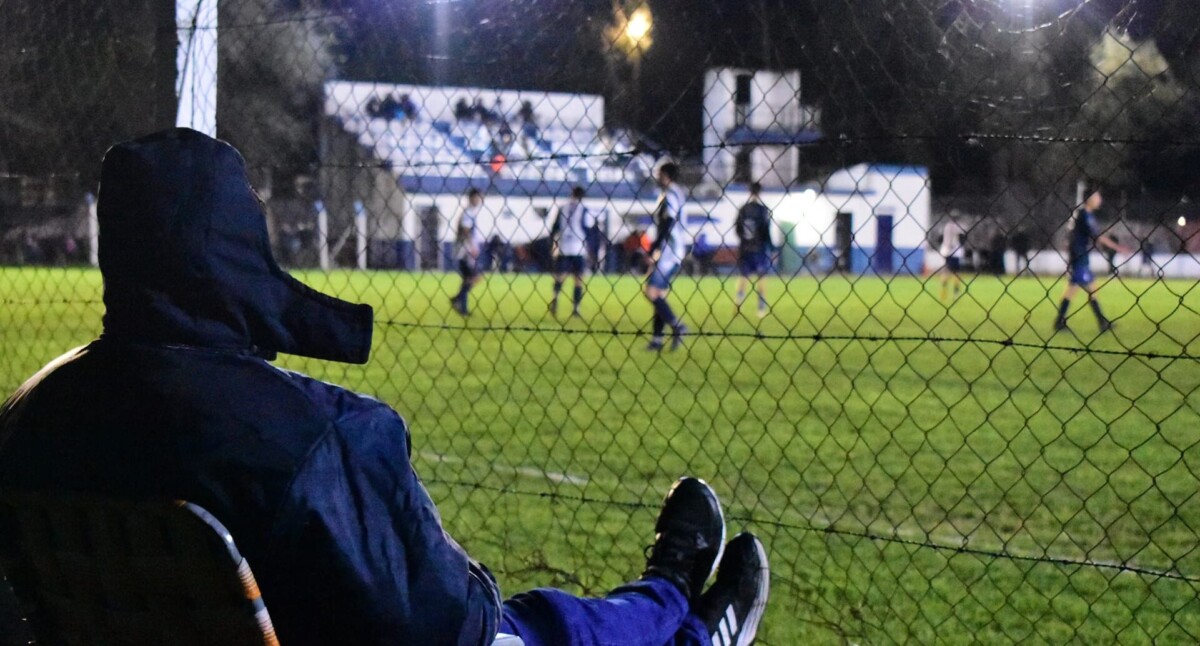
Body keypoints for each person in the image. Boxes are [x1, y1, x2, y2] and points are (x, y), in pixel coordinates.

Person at [0, 128, 769, 646]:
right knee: (540, 626)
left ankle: (671, 598)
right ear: (237, 248)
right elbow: (454, 626)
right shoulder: (318, 436)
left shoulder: (27, 417)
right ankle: (683, 613)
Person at [1054, 184, 1130, 334]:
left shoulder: (1084, 214)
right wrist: (1118, 248)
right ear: (1089, 199)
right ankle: (1101, 323)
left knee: (1075, 290)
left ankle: (1060, 322)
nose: (1099, 199)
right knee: (1089, 289)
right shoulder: (1084, 215)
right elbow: (1097, 237)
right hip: (1079, 256)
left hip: (1080, 255)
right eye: (1097, 197)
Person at [644, 162, 689, 352]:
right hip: (674, 249)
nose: (657, 176)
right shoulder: (677, 193)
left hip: (669, 250)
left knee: (650, 291)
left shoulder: (670, 194)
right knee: (659, 295)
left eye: (659, 173)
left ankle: (677, 325)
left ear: (665, 175)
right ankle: (657, 340)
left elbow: (669, 220)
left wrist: (654, 246)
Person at [550, 186, 592, 317]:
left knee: (560, 276)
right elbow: (588, 229)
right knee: (578, 279)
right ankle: (576, 308)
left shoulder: (563, 208)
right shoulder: (584, 210)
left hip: (564, 246)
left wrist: (554, 244)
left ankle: (555, 298)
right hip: (578, 247)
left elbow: (554, 227)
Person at [733, 182, 773, 318]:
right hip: (759, 248)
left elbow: (737, 229)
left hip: (745, 248)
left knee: (743, 276)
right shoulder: (763, 210)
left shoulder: (743, 209)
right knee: (761, 277)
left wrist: (744, 241)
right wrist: (771, 246)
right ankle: (761, 309)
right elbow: (766, 230)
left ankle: (738, 303)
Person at [451, 188, 486, 316]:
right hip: (465, 251)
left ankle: (461, 304)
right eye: (476, 197)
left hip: (466, 250)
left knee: (468, 278)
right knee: (473, 277)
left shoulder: (470, 212)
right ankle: (459, 302)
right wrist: (472, 247)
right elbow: (466, 231)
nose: (478, 200)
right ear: (471, 198)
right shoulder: (468, 213)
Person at [938, 212, 966, 301]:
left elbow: (940, 238)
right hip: (955, 251)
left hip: (946, 250)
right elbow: (962, 238)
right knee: (956, 273)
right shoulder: (959, 227)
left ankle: (943, 293)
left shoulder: (946, 226)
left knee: (946, 271)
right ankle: (956, 293)